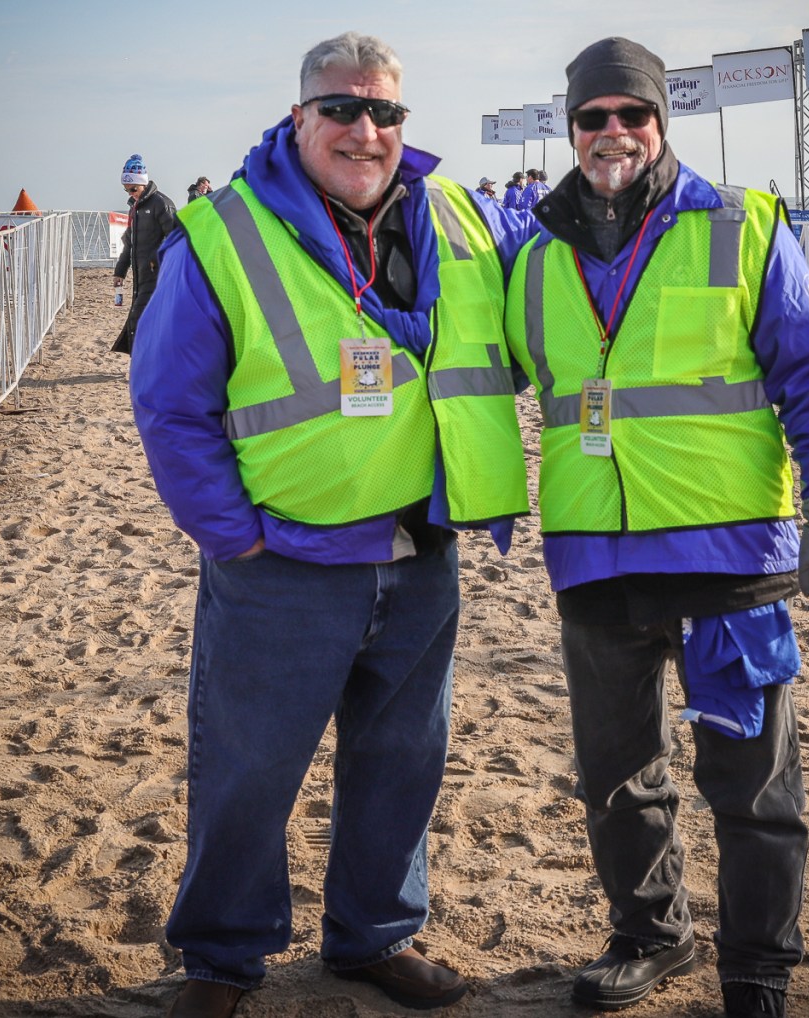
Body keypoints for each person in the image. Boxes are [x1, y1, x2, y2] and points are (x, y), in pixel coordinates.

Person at [130, 31, 536, 1018]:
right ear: (300, 116)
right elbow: (170, 405)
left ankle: (373, 937)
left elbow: (539, 326)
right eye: (342, 108)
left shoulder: (460, 218)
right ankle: (221, 959)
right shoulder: (224, 231)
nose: (365, 129)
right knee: (248, 770)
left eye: (384, 110)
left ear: (403, 120)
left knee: (402, 763)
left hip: (423, 554)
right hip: (285, 561)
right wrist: (233, 535)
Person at [504, 37, 809, 1018]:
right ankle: (649, 936)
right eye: (593, 117)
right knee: (616, 780)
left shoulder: (742, 226)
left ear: (660, 122)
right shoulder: (533, 255)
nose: (613, 132)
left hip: (730, 560)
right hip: (593, 561)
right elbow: (476, 377)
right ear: (570, 128)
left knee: (751, 789)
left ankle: (755, 971)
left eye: (633, 113)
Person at [112, 154, 176, 355]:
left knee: (138, 319)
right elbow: (129, 244)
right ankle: (144, 361)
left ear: (143, 183)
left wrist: (157, 262)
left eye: (133, 189)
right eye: (126, 190)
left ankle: (142, 362)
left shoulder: (161, 204)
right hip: (139, 276)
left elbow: (176, 238)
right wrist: (120, 272)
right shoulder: (135, 209)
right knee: (140, 319)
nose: (131, 194)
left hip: (158, 275)